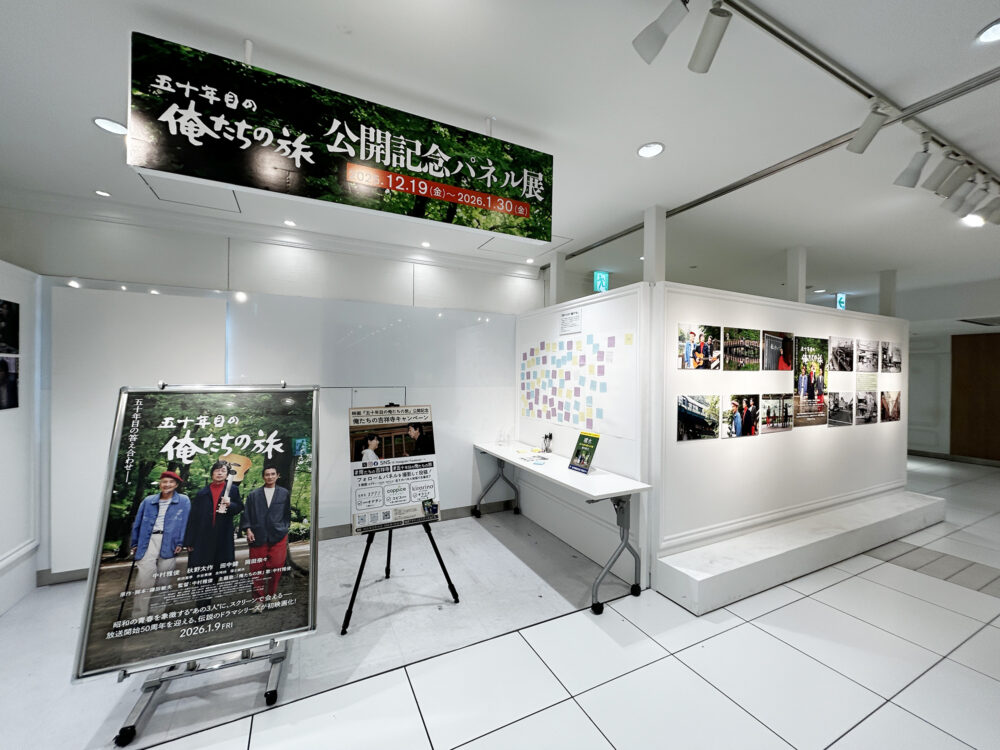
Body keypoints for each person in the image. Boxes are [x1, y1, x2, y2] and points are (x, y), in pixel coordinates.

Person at [129, 471, 190, 618]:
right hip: (148, 540)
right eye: (164, 482)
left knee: (164, 578)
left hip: (170, 541)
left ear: (176, 485)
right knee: (144, 578)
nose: (167, 484)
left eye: (171, 482)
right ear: (160, 484)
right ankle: (139, 615)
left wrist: (181, 542)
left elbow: (186, 523)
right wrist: (134, 543)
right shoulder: (148, 500)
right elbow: (137, 522)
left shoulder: (183, 500)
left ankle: (156, 613)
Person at [184, 460, 244, 603]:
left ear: (227, 475)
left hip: (221, 538)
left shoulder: (232, 490)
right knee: (202, 573)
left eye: (223, 471)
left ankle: (207, 599)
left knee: (216, 571)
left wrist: (230, 504)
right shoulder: (202, 493)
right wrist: (190, 541)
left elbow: (239, 507)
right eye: (217, 470)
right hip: (203, 539)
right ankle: (202, 607)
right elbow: (193, 518)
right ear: (212, 473)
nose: (219, 473)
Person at [241, 465, 291, 613]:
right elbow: (246, 514)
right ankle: (258, 601)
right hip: (258, 535)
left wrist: (284, 527)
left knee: (276, 566)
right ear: (263, 477)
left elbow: (287, 513)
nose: (270, 477)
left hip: (278, 535)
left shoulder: (284, 493)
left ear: (277, 476)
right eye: (267, 474)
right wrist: (248, 529)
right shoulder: (253, 495)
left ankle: (272, 595)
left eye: (272, 474)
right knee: (256, 569)